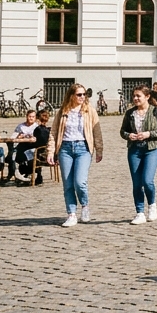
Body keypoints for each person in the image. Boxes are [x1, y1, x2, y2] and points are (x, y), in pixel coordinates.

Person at [48, 83, 105, 227]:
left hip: (83, 148)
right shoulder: (62, 111)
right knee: (68, 184)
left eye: (84, 94)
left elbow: (96, 132)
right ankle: (71, 213)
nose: (82, 97)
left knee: (80, 182)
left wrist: (99, 150)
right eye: (79, 94)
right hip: (65, 149)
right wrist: (50, 151)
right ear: (71, 96)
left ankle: (85, 206)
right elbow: (53, 132)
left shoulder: (89, 111)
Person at [121, 86, 157, 225]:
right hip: (134, 150)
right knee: (137, 183)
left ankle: (152, 205)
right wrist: (129, 135)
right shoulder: (130, 113)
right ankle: (140, 212)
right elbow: (123, 131)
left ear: (147, 97)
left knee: (147, 180)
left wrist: (149, 134)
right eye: (134, 96)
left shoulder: (156, 112)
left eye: (138, 96)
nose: (135, 98)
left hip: (151, 149)